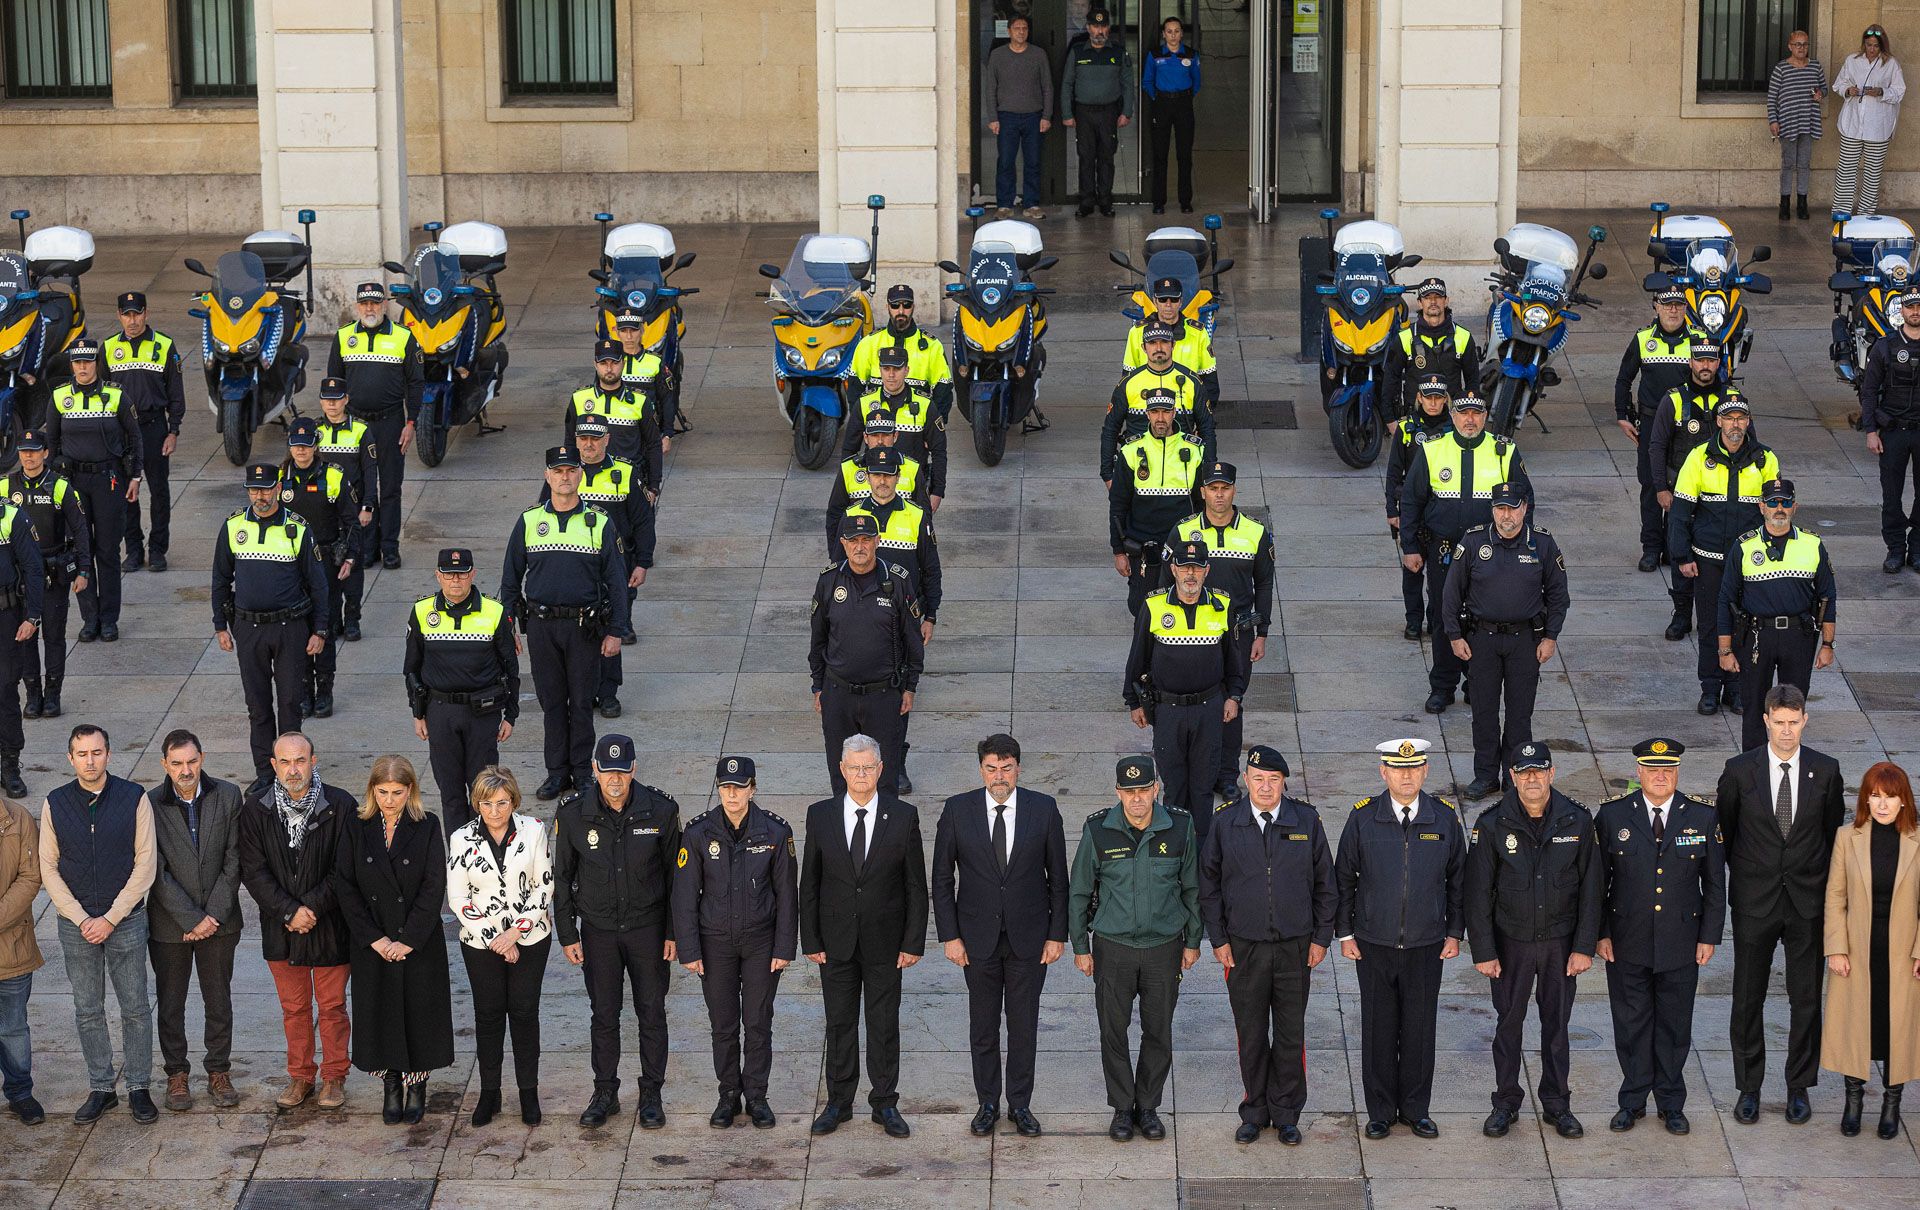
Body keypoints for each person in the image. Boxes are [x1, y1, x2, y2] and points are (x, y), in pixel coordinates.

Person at [1717, 684, 1848, 1125]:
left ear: (1804, 721)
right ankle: (1748, 1088)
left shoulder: (1826, 771)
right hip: (1755, 902)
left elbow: (1832, 836)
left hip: (1806, 904)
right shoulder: (1739, 771)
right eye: (1780, 722)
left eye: (1795, 723)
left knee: (1806, 999)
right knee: (1747, 998)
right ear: (1766, 720)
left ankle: (1798, 1087)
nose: (1787, 731)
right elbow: (1726, 835)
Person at [1462, 742, 1602, 1139]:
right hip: (1511, 944)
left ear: (1552, 773)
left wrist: (1583, 946)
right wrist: (1484, 951)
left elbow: (1593, 889)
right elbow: (1477, 893)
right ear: (1512, 778)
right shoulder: (1491, 825)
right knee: (1509, 1025)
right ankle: (1505, 1103)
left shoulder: (1577, 820)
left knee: (1557, 1027)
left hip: (1560, 943)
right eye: (1524, 773)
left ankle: (1558, 1105)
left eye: (1539, 771)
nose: (1532, 779)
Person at [931, 734, 1069, 1138]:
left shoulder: (1043, 810)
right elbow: (941, 879)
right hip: (977, 940)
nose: (999, 776)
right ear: (981, 769)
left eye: (1006, 768)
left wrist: (1056, 934)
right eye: (991, 768)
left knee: (1024, 1026)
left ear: (1019, 768)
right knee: (983, 1027)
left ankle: (1020, 1105)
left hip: (1030, 939)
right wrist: (950, 936)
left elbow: (1058, 879)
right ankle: (988, 1103)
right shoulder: (958, 810)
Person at [1198, 745, 1333, 1145]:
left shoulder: (1305, 820)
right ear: (1245, 780)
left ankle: (1287, 1112)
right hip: (1243, 949)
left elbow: (1327, 884)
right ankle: (1255, 1110)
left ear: (1284, 782)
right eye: (1258, 779)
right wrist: (1219, 939)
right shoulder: (1225, 823)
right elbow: (1209, 887)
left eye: (1273, 779)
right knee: (1251, 1033)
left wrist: (1321, 939)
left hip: (1296, 947)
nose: (1266, 786)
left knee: (1291, 1033)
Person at [1336, 738, 1467, 1139]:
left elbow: (1459, 881)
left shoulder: (1444, 819)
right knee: (1377, 1028)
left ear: (1426, 771)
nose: (1406, 775)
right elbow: (1343, 880)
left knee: (1419, 1029)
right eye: (1397, 768)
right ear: (1384, 772)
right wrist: (1344, 933)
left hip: (1427, 944)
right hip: (1373, 942)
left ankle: (1415, 1109)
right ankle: (1379, 1112)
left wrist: (1454, 932)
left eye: (1413, 768)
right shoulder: (1362, 819)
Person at [1595, 738, 1725, 1135]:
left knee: (1673, 1026)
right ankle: (1632, 1100)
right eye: (1653, 770)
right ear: (1639, 772)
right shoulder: (1612, 816)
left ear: (1677, 773)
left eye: (1667, 770)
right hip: (1626, 939)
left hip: (1681, 941)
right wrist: (1600, 934)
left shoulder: (1702, 817)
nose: (1660, 776)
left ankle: (1671, 1103)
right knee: (1631, 1024)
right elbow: (1596, 883)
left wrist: (1710, 937)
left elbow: (1715, 883)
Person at [1067, 756, 1201, 1142]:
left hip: (1163, 948)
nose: (1137, 799)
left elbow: (1192, 887)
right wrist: (1081, 945)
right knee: (1114, 1031)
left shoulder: (1180, 826)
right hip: (1113, 948)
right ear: (1117, 793)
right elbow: (1079, 891)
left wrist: (1192, 941)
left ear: (1156, 788)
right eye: (1129, 792)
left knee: (1158, 1031)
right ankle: (1122, 1109)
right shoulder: (1098, 829)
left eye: (1144, 790)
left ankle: (1149, 1107)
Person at [800, 734, 927, 1139]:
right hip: (835, 942)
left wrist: (912, 942)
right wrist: (811, 940)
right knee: (839, 1023)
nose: (860, 774)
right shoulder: (819, 815)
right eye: (853, 767)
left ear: (880, 769)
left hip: (885, 944)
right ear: (841, 770)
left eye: (868, 767)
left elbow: (915, 887)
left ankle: (885, 1103)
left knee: (883, 1024)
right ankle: (838, 1102)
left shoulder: (903, 817)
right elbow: (810, 883)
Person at [552, 734, 680, 1129]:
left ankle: (651, 1094)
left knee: (651, 1013)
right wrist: (568, 934)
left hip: (648, 930)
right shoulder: (573, 814)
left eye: (622, 772)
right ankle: (604, 1092)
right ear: (594, 770)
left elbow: (677, 879)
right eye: (607, 772)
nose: (615, 780)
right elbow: (562, 878)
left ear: (633, 770)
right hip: (599, 932)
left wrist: (674, 933)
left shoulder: (661, 810)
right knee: (604, 1014)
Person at [37, 723, 157, 1123]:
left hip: (125, 921)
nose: (91, 760)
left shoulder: (133, 797)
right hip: (76, 926)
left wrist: (109, 917)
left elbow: (146, 865)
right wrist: (82, 918)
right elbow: (48, 868)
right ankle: (102, 1088)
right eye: (82, 754)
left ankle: (139, 1087)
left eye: (97, 752)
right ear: (71, 759)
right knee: (87, 1009)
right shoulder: (55, 802)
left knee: (136, 1007)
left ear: (108, 754)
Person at [500, 445, 631, 801]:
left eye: (571, 471)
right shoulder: (529, 521)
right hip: (541, 627)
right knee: (552, 703)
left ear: (580, 475)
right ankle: (556, 774)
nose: (564, 477)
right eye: (557, 472)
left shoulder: (601, 522)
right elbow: (510, 579)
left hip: (583, 627)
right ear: (547, 476)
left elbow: (617, 582)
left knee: (582, 701)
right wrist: (508, 625)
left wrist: (616, 630)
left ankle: (582, 773)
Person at [673, 756, 796, 1130]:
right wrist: (690, 950)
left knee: (758, 1022)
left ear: (752, 789)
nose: (731, 794)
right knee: (723, 1024)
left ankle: (756, 1096)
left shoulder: (775, 832)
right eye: (725, 787)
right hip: (715, 945)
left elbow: (788, 894)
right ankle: (728, 1095)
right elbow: (684, 896)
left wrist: (783, 948)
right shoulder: (697, 833)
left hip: (761, 943)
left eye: (739, 787)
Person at [331, 755, 453, 1125]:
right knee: (379, 1013)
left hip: (418, 942)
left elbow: (434, 886)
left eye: (397, 792)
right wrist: (375, 939)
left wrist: (408, 939)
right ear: (372, 791)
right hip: (373, 942)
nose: (389, 799)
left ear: (410, 790)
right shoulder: (356, 825)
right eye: (382, 792)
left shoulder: (427, 825)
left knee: (419, 1014)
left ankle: (417, 1086)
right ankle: (391, 1085)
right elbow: (344, 884)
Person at [238, 732, 355, 1111]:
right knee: (294, 1009)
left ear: (313, 760)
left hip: (329, 927)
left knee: (333, 1006)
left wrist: (312, 909)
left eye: (300, 760)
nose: (293, 769)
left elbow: (346, 869)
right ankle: (301, 1076)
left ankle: (335, 1076)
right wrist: (289, 911)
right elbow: (253, 872)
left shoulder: (340, 805)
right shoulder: (256, 809)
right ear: (273, 765)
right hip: (281, 927)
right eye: (285, 762)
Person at [1398, 393, 1530, 714]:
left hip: (1491, 554)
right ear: (1453, 417)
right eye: (1463, 413)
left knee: (1483, 620)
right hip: (1443, 550)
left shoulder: (1504, 451)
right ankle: (1442, 686)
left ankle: (1476, 683)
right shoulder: (1431, 448)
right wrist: (1410, 547)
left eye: (1476, 413)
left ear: (1485, 417)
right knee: (1445, 617)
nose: (1469, 419)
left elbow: (1525, 503)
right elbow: (1412, 501)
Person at [1442, 481, 1570, 799]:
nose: (1506, 515)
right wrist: (1455, 636)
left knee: (1519, 714)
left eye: (1513, 508)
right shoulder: (1472, 543)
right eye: (1500, 508)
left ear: (1524, 509)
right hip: (1481, 639)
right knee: (1483, 712)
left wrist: (1551, 637)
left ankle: (1515, 775)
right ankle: (1485, 776)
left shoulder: (1542, 544)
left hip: (1526, 641)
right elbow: (1450, 594)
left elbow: (1559, 596)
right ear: (1493, 511)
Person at [211, 463, 329, 795]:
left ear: (278, 487)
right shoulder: (234, 525)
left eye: (265, 489)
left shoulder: (298, 529)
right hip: (248, 629)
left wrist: (319, 630)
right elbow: (220, 579)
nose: (259, 496)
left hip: (289, 627)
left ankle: (293, 772)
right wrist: (220, 625)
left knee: (291, 703)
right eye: (253, 490)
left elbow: (319, 585)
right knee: (258, 707)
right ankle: (266, 774)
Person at [1161, 461, 1275, 800]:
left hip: (1238, 635)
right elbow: (1164, 583)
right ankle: (1197, 775)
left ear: (1234, 491)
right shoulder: (1183, 531)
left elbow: (1265, 584)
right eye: (1213, 488)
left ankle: (1226, 776)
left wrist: (1263, 632)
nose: (1219, 494)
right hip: (1191, 633)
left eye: (1225, 488)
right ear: (1203, 492)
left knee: (1231, 704)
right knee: (1194, 705)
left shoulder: (1255, 532)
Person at [447, 766, 551, 1127]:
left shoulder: (534, 831)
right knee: (488, 1017)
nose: (494, 811)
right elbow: (458, 896)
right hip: (480, 943)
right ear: (477, 803)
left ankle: (528, 1093)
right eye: (487, 803)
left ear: (514, 801)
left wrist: (515, 934)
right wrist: (495, 938)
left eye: (502, 802)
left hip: (530, 940)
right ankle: (489, 1092)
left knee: (524, 1015)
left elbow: (544, 886)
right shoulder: (461, 838)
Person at [146, 730, 244, 1112]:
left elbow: (235, 859)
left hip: (220, 923)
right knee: (171, 1002)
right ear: (164, 764)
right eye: (177, 764)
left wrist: (212, 916)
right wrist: (190, 917)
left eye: (191, 761)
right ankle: (176, 1074)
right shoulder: (150, 803)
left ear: (202, 758)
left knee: (218, 999)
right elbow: (155, 870)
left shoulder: (228, 795)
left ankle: (219, 1071)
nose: (185, 771)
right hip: (171, 925)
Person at [1124, 540, 1250, 834]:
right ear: (1174, 569)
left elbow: (1234, 660)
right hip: (1168, 710)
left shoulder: (1223, 605)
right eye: (1184, 567)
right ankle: (1173, 852)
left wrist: (1234, 696)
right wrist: (1133, 702)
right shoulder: (1154, 605)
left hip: (1209, 709)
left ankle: (1203, 857)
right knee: (1174, 786)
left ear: (1206, 570)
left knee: (1204, 787)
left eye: (1196, 567)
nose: (1190, 574)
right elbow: (1137, 657)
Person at [1822, 762, 1920, 1138]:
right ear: (1865, 799)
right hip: (1857, 952)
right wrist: (1836, 948)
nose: (1882, 805)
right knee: (1855, 1028)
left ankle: (1892, 1105)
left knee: (1896, 1028)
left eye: (1890, 797)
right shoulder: (1848, 837)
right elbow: (1835, 896)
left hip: (1901, 955)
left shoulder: (1915, 839)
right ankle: (1853, 1102)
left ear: (1903, 801)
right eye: (1875, 796)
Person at [1668, 396, 1781, 716]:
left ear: (1748, 422)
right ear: (1718, 422)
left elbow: (1776, 512)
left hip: (1750, 564)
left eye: (1740, 419)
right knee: (1709, 625)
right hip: (1708, 560)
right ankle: (1710, 689)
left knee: (1745, 627)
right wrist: (1681, 556)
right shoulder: (1698, 456)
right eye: (1728, 418)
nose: (1735, 425)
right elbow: (1680, 512)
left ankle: (1736, 690)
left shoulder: (1766, 459)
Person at [1717, 479, 1838, 752]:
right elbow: (1725, 599)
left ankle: (1788, 766)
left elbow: (1828, 597)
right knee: (1754, 705)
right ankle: (1752, 770)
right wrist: (1725, 649)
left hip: (1799, 636)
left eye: (1785, 502)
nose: (1779, 508)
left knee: (1792, 709)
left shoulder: (1812, 544)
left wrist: (1828, 645)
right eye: (1773, 502)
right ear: (1762, 507)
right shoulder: (1744, 546)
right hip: (1757, 637)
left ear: (1794, 507)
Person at [809, 514, 925, 799]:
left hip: (883, 694)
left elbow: (912, 639)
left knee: (885, 776)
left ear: (877, 541)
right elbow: (818, 639)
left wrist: (910, 686)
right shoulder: (828, 581)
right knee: (841, 774)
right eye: (853, 541)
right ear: (843, 544)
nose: (859, 547)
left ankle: (884, 838)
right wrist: (818, 686)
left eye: (865, 540)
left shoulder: (897, 581)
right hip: (838, 693)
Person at [845, 447, 940, 795]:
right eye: (876, 474)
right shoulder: (852, 514)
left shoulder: (917, 515)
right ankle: (861, 765)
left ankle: (895, 766)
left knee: (899, 697)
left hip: (902, 624)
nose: (882, 481)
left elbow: (931, 568)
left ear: (898, 478)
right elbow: (837, 570)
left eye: (888, 475)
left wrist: (930, 615)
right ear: (867, 477)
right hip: (859, 622)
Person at [407, 548, 519, 836]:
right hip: (440, 712)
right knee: (450, 792)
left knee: (484, 791)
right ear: (438, 575)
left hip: (482, 713)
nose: (455, 580)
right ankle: (459, 856)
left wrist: (511, 715)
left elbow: (511, 669)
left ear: (472, 574)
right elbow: (412, 669)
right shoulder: (422, 611)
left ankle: (485, 853)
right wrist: (418, 713)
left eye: (461, 573)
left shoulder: (495, 612)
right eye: (448, 574)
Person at [326, 280, 423, 569]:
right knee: (360, 487)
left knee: (391, 487)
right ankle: (367, 548)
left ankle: (390, 548)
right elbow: (334, 385)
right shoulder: (343, 337)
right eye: (365, 303)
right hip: (355, 425)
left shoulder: (404, 337)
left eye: (376, 303)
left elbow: (416, 383)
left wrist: (411, 422)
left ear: (384, 305)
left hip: (391, 423)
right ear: (357, 306)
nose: (370, 308)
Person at [562, 414, 655, 719]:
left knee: (612, 629)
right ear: (576, 441)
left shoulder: (625, 472)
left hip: (615, 566)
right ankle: (585, 692)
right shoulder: (563, 474)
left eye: (595, 438)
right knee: (578, 635)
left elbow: (642, 522)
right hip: (575, 569)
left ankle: (609, 693)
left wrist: (642, 562)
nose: (588, 445)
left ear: (606, 440)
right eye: (583, 439)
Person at [47, 337, 138, 642]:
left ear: (97, 363)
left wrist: (135, 477)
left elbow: (134, 437)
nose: (82, 368)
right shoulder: (60, 397)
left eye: (87, 362)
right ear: (71, 365)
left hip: (108, 480)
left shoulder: (115, 395)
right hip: (74, 484)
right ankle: (90, 618)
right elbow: (52, 444)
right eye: (77, 362)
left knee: (108, 551)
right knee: (80, 552)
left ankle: (109, 619)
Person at [1645, 341, 1733, 639]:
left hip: (1721, 499)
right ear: (1691, 362)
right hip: (1682, 496)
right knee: (1681, 556)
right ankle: (1682, 615)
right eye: (1700, 360)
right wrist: (1660, 489)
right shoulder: (1674, 400)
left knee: (1724, 561)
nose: (1705, 365)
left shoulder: (1733, 400)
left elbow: (1751, 447)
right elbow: (1656, 447)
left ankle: (1724, 617)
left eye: (1711, 360)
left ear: (1719, 363)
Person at [279, 417, 361, 720]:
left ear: (316, 445)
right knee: (297, 629)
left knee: (322, 628)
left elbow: (352, 522)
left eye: (308, 444)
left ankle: (324, 691)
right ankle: (304, 694)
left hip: (325, 561)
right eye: (297, 445)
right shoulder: (278, 479)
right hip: (290, 565)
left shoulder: (334, 476)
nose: (302, 450)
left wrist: (351, 558)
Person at [2, 429, 86, 724]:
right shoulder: (5, 486)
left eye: (35, 450)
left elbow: (80, 529)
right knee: (25, 637)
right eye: (24, 450)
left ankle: (52, 694)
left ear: (46, 453)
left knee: (53, 635)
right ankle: (32, 694)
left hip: (52, 571)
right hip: (19, 577)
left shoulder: (59, 486)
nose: (28, 456)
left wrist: (84, 569)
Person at [1615, 297, 1699, 575]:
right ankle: (1651, 549)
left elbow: (1716, 377)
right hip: (1651, 423)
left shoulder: (1699, 339)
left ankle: (1676, 549)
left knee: (1684, 486)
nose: (1673, 309)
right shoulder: (1642, 339)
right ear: (1656, 307)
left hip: (1688, 424)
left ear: (1687, 308)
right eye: (1667, 304)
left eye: (1678, 304)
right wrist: (1623, 416)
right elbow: (1624, 378)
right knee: (1652, 486)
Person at [104, 292, 183, 574]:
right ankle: (134, 550)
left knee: (159, 492)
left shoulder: (164, 345)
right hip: (122, 432)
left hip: (154, 429)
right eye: (126, 314)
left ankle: (158, 550)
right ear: (119, 316)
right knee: (127, 494)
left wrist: (173, 430)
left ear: (146, 314)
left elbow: (176, 393)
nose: (132, 320)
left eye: (137, 314)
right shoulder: (109, 347)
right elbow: (102, 394)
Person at [1109, 393, 1205, 616]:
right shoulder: (1131, 450)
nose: (1160, 418)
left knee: (1184, 610)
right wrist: (1118, 551)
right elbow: (1118, 505)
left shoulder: (1195, 450)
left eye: (1165, 412)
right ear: (1147, 414)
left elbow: (1203, 504)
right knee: (1141, 609)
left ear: (1174, 413)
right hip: (1144, 549)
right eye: (1154, 412)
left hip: (1183, 548)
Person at [1387, 375, 1454, 640]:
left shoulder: (1454, 427)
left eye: (1439, 398)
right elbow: (1394, 472)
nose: (1434, 403)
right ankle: (1413, 620)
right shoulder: (1406, 429)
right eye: (1429, 398)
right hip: (1412, 509)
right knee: (1412, 567)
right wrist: (1392, 510)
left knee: (1441, 572)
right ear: (1419, 398)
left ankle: (1436, 617)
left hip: (1441, 507)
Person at [1858, 288, 1920, 574]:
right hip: (1893, 432)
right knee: (1891, 496)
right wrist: (1871, 430)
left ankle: (1917, 548)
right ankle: (1896, 549)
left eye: (1919, 306)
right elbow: (1869, 392)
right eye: (1910, 307)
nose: (1915, 311)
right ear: (1902, 311)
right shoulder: (1885, 347)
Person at [1103, 323, 1214, 483]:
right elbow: (1110, 429)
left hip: (1183, 474)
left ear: (1173, 345)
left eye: (1164, 342)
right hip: (1138, 473)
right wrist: (1108, 475)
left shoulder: (1192, 382)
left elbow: (1207, 430)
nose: (1159, 347)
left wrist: (1208, 475)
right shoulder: (1128, 384)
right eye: (1152, 343)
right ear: (1143, 347)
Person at [841, 347, 947, 512]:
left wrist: (938, 491)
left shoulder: (925, 405)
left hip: (914, 490)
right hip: (875, 489)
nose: (891, 374)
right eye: (886, 368)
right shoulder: (864, 403)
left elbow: (939, 451)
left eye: (897, 369)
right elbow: (849, 449)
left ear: (907, 370)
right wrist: (847, 486)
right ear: (880, 370)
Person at [312, 377, 378, 641]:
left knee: (353, 570)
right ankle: (333, 619)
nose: (332, 403)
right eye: (327, 399)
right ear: (320, 401)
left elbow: (370, 471)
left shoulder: (361, 430)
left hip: (352, 514)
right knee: (327, 571)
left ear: (346, 400)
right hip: (324, 512)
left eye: (337, 398)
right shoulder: (314, 431)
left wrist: (368, 505)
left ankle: (352, 619)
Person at [565, 340, 665, 492]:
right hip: (588, 485)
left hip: (629, 484)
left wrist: (653, 487)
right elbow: (570, 443)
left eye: (614, 363)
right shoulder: (579, 398)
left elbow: (653, 444)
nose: (609, 368)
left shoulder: (640, 400)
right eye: (603, 363)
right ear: (595, 364)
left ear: (623, 363)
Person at [1062, 9, 1134, 218]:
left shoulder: (1118, 52)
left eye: (1103, 27)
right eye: (1095, 26)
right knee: (1085, 157)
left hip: (1109, 112)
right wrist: (1067, 113)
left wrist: (1126, 112)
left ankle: (1105, 201)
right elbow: (1067, 84)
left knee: (1106, 157)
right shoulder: (1077, 51)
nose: (1099, 31)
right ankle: (1086, 202)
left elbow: (1128, 85)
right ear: (1088, 28)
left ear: (1108, 29)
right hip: (1083, 112)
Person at [983, 16, 1052, 220]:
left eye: (1024, 28)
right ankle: (1004, 204)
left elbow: (1047, 87)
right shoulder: (997, 55)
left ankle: (1031, 204)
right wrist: (993, 117)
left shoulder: (1038, 55)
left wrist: (1046, 115)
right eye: (1017, 28)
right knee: (1005, 161)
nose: (1021, 31)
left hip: (1034, 116)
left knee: (1033, 161)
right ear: (1009, 31)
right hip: (1006, 117)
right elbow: (990, 89)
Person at [848, 285, 955, 417]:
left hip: (916, 427)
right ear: (887, 307)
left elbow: (943, 392)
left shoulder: (932, 345)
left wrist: (935, 427)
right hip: (878, 428)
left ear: (913, 307)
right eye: (895, 306)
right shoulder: (868, 343)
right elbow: (854, 389)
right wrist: (859, 425)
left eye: (907, 305)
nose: (901, 311)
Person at [0, 784, 41, 1126]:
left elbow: (30, 878)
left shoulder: (19, 819)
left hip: (11, 947)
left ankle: (20, 1093)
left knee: (13, 1028)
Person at [825, 408, 924, 548]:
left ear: (895, 436)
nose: (880, 441)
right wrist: (837, 556)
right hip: (859, 557)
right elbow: (834, 516)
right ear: (865, 438)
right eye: (875, 435)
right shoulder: (849, 468)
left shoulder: (912, 468)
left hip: (901, 552)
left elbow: (922, 516)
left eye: (885, 435)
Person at [1833, 25, 1905, 215]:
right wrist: (1848, 90)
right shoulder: (1852, 61)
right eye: (1868, 44)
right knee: (1846, 170)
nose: (1871, 49)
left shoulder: (1891, 64)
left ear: (1882, 45)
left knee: (1872, 174)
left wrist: (1881, 91)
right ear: (1864, 43)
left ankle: (1865, 214)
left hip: (1878, 128)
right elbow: (1839, 83)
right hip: (1852, 125)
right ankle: (1841, 212)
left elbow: (1899, 91)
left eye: (1875, 46)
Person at [1383, 279, 1480, 421]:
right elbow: (1390, 380)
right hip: (1414, 417)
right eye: (1427, 297)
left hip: (1451, 419)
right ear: (1420, 303)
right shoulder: (1405, 337)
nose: (1433, 302)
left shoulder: (1463, 336)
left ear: (1446, 301)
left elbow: (1473, 381)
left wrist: (1468, 416)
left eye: (1438, 297)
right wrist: (1390, 420)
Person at [1122, 277, 1221, 410]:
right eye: (1163, 300)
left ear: (1180, 302)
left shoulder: (1198, 333)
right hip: (1148, 412)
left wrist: (1204, 419)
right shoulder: (1137, 333)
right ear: (1154, 301)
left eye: (1174, 299)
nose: (1168, 305)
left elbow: (1210, 384)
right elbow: (1127, 382)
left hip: (1187, 412)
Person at [1142, 16, 1199, 214]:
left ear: (1182, 33)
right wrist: (1158, 99)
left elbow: (1196, 82)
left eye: (1176, 31)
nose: (1173, 35)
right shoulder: (1155, 54)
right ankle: (1159, 202)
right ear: (1163, 34)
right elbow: (1147, 81)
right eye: (1169, 31)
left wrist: (1185, 97)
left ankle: (1185, 201)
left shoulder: (1191, 55)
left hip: (1183, 104)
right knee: (1160, 155)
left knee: (1184, 155)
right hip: (1162, 104)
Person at [1768, 30, 1827, 218]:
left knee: (1804, 164)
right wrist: (1773, 120)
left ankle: (1802, 203)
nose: (1802, 48)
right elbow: (1772, 97)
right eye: (1798, 44)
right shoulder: (1781, 69)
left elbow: (1823, 88)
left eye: (1805, 44)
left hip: (1808, 121)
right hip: (1787, 121)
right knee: (1787, 164)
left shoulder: (1815, 66)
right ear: (1790, 46)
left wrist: (1820, 94)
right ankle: (1784, 203)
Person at [612, 309, 679, 443]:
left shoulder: (655, 361)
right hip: (615, 432)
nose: (629, 337)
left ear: (642, 330)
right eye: (624, 331)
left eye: (634, 331)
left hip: (647, 431)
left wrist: (667, 434)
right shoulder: (609, 363)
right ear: (617, 333)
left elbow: (667, 400)